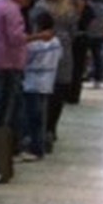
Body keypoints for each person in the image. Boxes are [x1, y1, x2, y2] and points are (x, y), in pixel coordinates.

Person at [0, 0, 49, 148]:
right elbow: (16, 38)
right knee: (9, 107)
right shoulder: (13, 11)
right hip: (9, 62)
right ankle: (5, 144)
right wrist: (39, 36)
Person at [30, 0, 77, 148]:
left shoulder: (39, 8)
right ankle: (51, 128)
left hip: (42, 47)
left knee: (42, 93)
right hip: (63, 49)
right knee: (58, 91)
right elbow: (74, 32)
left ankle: (39, 130)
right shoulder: (69, 9)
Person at [21, 12, 62, 163]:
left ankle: (34, 147)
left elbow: (24, 60)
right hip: (48, 82)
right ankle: (42, 144)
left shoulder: (34, 44)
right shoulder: (56, 42)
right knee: (41, 116)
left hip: (31, 82)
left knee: (32, 117)